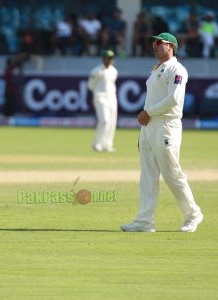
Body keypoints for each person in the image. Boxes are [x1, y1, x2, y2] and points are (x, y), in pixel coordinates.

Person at [121, 32, 203, 232]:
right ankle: (144, 221)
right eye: (153, 43)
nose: (154, 46)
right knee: (147, 175)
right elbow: (153, 100)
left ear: (171, 46)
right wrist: (144, 130)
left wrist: (149, 113)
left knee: (171, 173)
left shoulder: (177, 69)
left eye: (159, 43)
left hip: (167, 124)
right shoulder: (155, 69)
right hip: (150, 126)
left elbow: (174, 99)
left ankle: (193, 215)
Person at [88, 49, 118, 152]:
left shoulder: (114, 71)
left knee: (112, 122)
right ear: (103, 59)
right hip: (100, 97)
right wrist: (92, 97)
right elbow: (91, 86)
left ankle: (107, 144)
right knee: (104, 120)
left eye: (111, 58)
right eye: (107, 58)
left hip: (112, 98)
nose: (110, 60)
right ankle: (97, 143)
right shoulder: (96, 71)